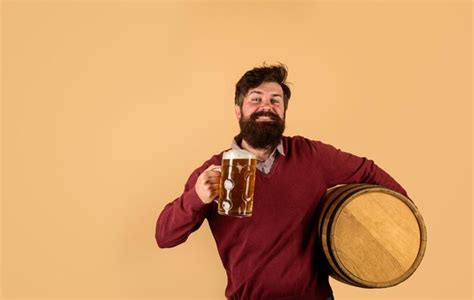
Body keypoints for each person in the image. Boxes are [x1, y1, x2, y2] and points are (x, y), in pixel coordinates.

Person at [155, 64, 408, 300]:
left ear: (284, 111)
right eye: (255, 99)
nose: (266, 106)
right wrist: (196, 197)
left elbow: (367, 171)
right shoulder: (214, 171)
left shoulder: (311, 155)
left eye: (275, 100)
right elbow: (164, 236)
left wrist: (403, 219)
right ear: (237, 110)